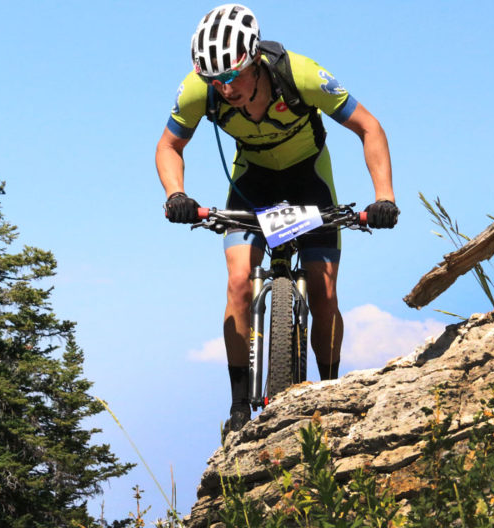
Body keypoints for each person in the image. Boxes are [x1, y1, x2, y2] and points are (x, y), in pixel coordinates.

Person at [155, 4, 398, 435]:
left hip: (310, 178)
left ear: (254, 61)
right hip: (253, 183)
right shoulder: (198, 90)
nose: (223, 89)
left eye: (231, 77)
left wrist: (384, 198)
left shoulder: (300, 75)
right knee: (237, 282)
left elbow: (369, 127)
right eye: (215, 81)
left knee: (324, 293)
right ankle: (236, 405)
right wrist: (176, 195)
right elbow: (169, 147)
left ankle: (330, 392)